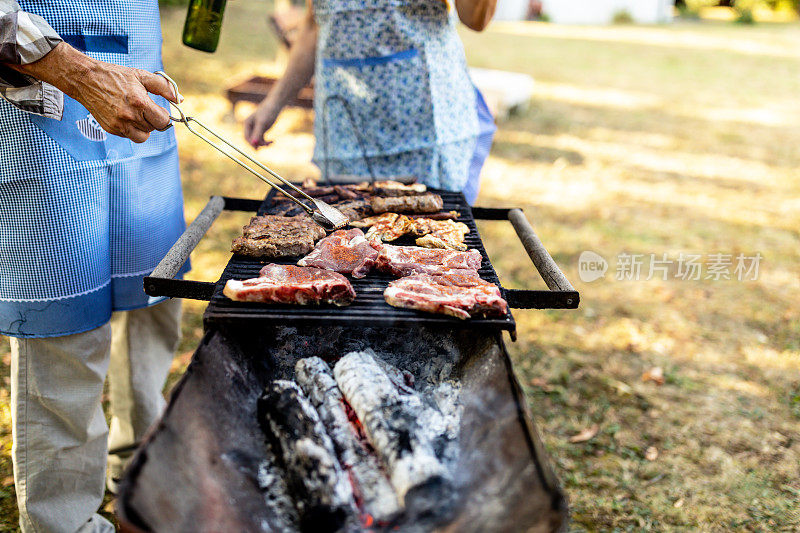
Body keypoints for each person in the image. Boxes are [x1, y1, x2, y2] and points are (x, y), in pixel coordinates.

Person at [0, 1, 188, 531]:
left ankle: (143, 471)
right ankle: (67, 521)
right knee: (64, 339)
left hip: (143, 123)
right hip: (39, 129)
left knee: (155, 305)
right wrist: (77, 70)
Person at [244, 0, 497, 205]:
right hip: (345, 122)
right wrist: (273, 103)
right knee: (343, 238)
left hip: (424, 126)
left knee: (432, 242)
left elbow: (476, 19)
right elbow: (314, 24)